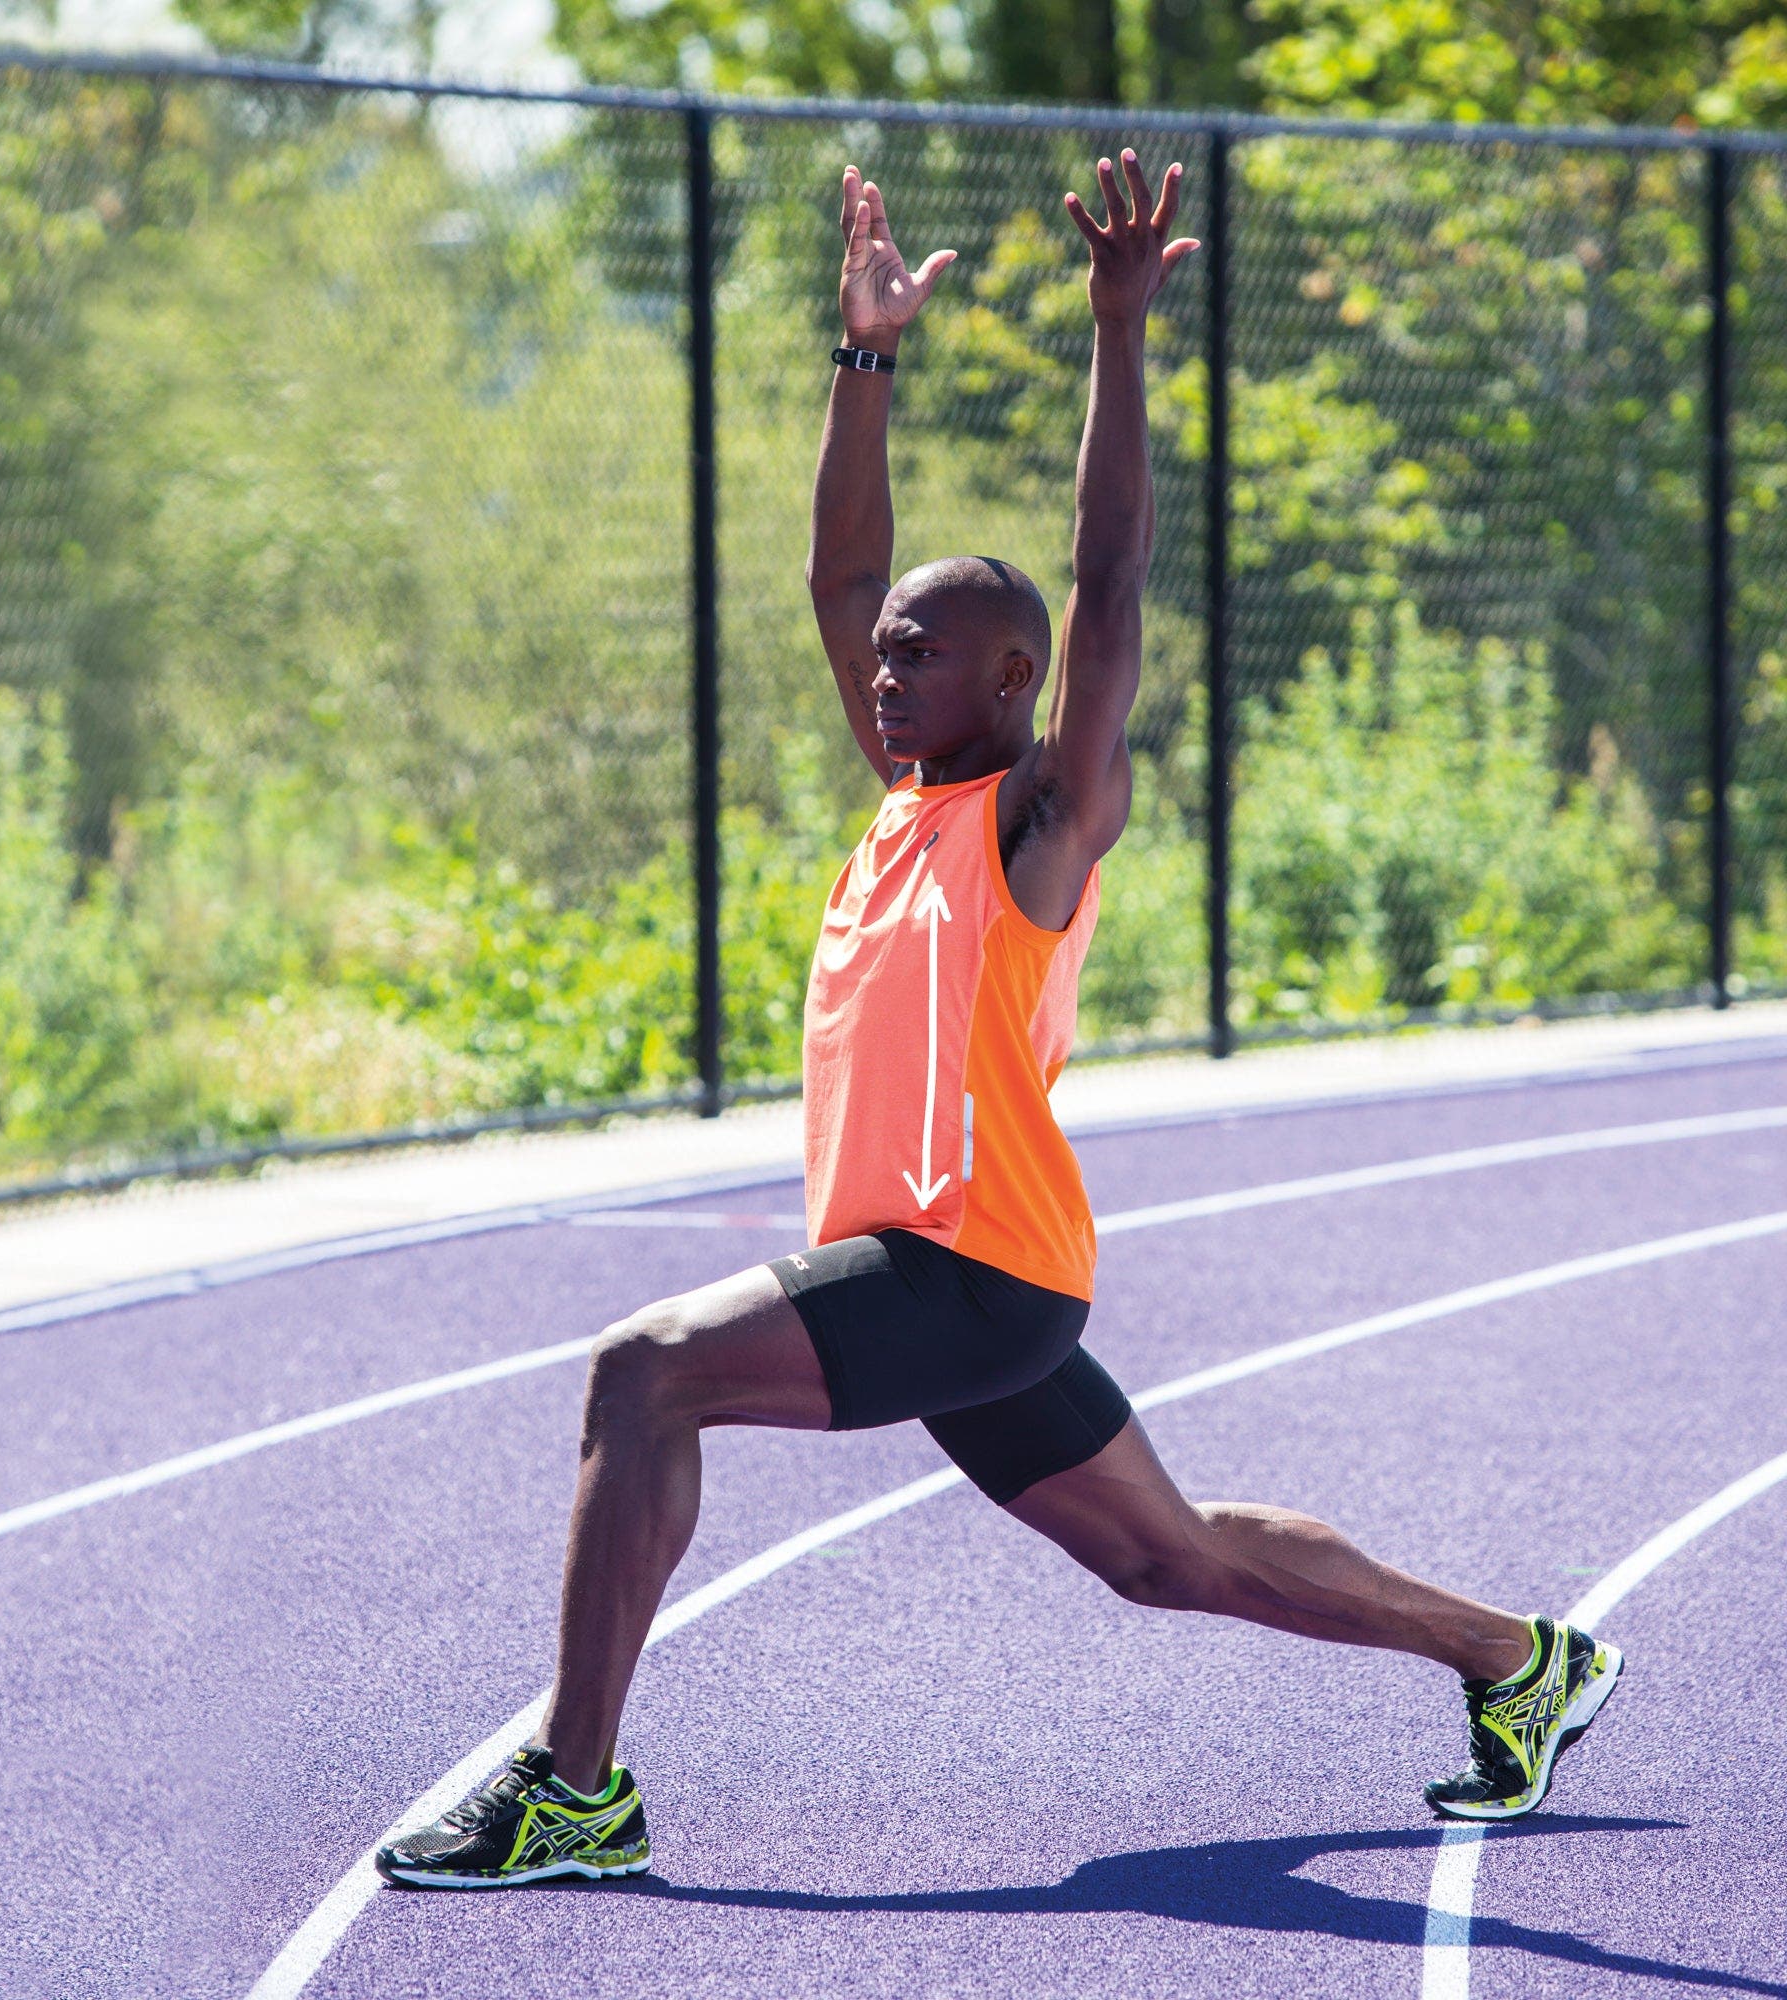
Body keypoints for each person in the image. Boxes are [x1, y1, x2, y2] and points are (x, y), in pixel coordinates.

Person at [374, 151, 1622, 1892]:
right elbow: (834, 577)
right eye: (879, 656)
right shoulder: (900, 805)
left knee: (642, 1377)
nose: (880, 673)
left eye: (916, 657)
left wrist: (1121, 331)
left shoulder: (1040, 826)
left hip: (976, 1270)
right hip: (942, 1276)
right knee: (1170, 1560)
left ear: (1014, 682)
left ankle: (576, 1791)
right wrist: (863, 359)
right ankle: (1520, 1661)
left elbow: (1111, 582)